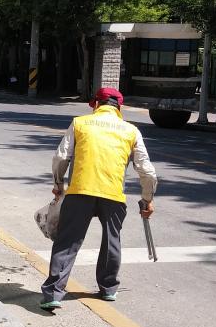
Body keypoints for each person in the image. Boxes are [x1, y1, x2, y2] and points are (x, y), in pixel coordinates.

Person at [40, 87, 158, 310]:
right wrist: (147, 199)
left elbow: (61, 157)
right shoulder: (131, 130)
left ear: (95, 104)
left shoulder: (80, 123)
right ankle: (108, 289)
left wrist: (58, 185)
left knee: (67, 242)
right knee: (112, 241)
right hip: (113, 194)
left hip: (80, 192)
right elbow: (147, 171)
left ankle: (54, 293)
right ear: (119, 107)